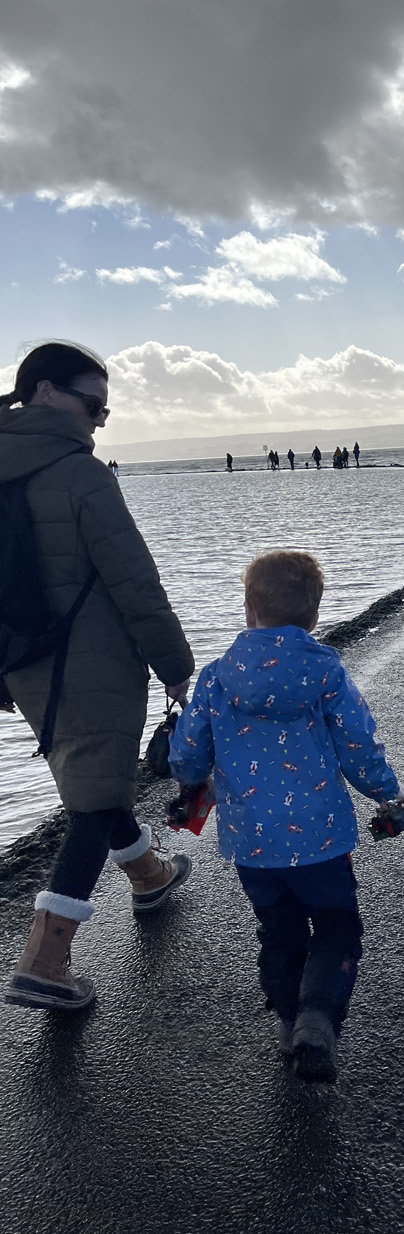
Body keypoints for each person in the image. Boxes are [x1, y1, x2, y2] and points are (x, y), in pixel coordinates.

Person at [1, 341, 194, 1012]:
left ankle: (149, 875)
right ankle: (45, 959)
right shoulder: (80, 474)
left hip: (22, 666)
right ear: (48, 392)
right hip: (96, 663)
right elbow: (135, 581)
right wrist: (175, 665)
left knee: (95, 775)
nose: (98, 420)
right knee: (91, 800)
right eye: (93, 405)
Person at [168, 550, 404, 1083]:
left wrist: (190, 782)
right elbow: (358, 745)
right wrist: (388, 796)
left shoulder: (215, 678)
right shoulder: (324, 671)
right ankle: (317, 1018)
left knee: (278, 929)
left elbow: (187, 753)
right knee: (336, 926)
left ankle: (285, 1022)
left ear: (249, 610)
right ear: (314, 616)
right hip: (321, 840)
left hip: (252, 845)